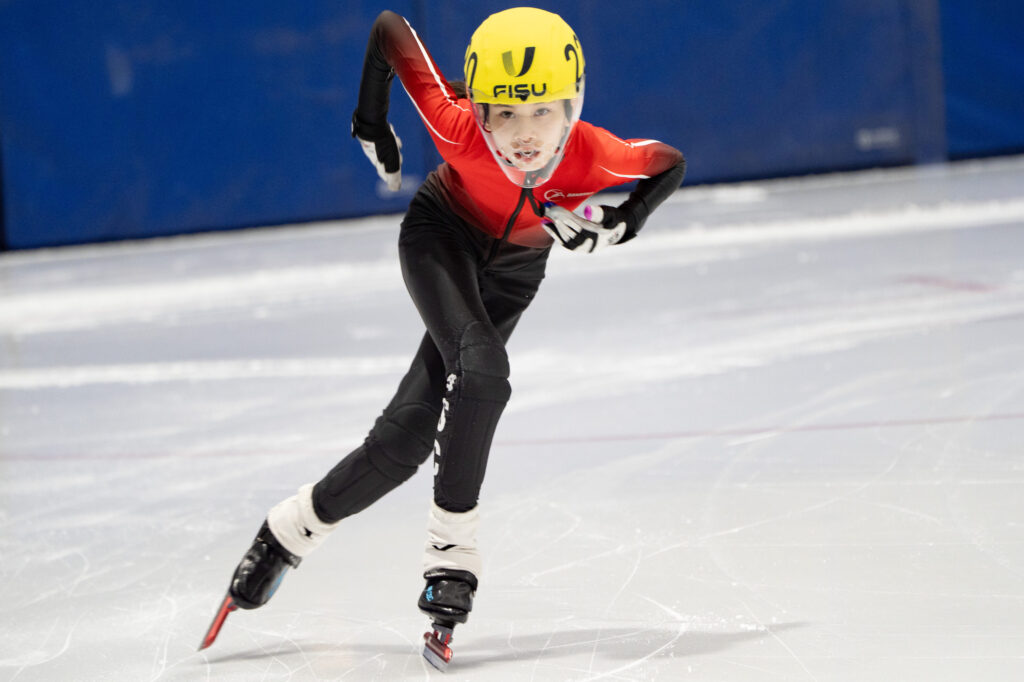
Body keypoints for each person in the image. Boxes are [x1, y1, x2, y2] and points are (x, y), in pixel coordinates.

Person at [210, 6, 685, 665]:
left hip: (514, 273)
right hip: (441, 240)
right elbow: (389, 30)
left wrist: (625, 219)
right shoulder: (454, 126)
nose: (523, 134)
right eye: (504, 112)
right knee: (484, 369)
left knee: (403, 443)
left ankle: (287, 532)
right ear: (479, 108)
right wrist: (371, 122)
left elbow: (667, 163)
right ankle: (452, 559)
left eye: (542, 110)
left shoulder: (595, 153)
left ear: (572, 105)